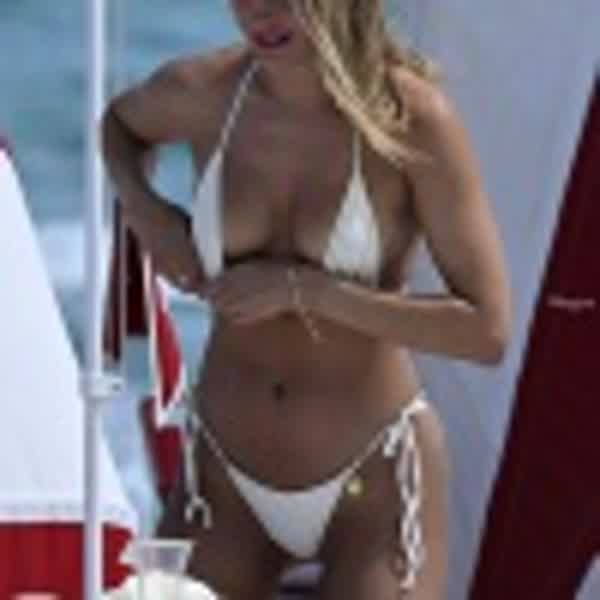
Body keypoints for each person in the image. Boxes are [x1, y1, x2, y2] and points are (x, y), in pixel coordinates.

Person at [101, 0, 511, 598]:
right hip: (223, 479)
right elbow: (118, 127)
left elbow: (486, 331)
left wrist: (308, 291)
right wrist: (149, 213)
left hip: (374, 473)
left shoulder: (411, 119)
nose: (260, 12)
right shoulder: (204, 91)